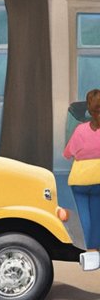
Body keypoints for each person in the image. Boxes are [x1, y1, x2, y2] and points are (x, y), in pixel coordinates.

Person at [64, 88, 100, 271]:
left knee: (84, 216)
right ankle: (96, 249)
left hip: (80, 178)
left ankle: (90, 254)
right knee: (96, 214)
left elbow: (67, 153)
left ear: (89, 108)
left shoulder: (79, 130)